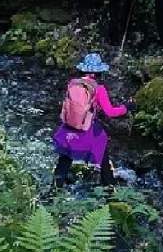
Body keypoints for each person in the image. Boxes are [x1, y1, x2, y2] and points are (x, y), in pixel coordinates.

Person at [53, 53, 127, 187]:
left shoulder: (72, 83)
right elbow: (110, 112)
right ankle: (109, 188)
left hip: (69, 126)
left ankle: (55, 188)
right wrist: (126, 108)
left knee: (65, 157)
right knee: (103, 154)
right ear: (98, 72)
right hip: (87, 128)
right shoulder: (99, 89)